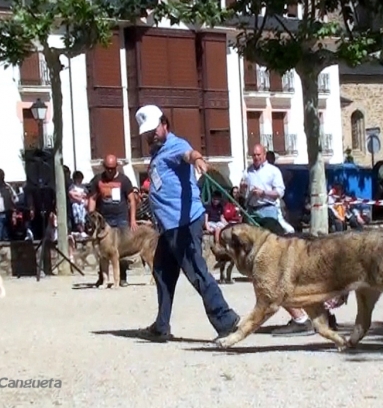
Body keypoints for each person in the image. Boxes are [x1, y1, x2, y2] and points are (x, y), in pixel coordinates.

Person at [135, 104, 240, 341]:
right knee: (162, 272)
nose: (150, 135)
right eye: (146, 133)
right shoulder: (157, 152)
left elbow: (189, 154)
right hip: (169, 227)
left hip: (183, 225)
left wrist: (198, 160)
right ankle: (161, 326)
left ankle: (226, 319)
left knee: (197, 273)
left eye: (153, 130)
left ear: (165, 124)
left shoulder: (174, 145)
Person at [241, 144, 314, 337]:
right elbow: (241, 194)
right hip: (252, 213)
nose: (255, 158)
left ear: (264, 155)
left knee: (271, 266)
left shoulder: (273, 172)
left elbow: (279, 192)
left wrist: (263, 193)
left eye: (258, 155)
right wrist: (241, 191)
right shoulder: (247, 172)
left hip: (269, 213)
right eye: (253, 155)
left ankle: (302, 317)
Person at [88, 155, 137, 287]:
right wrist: (90, 215)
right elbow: (92, 198)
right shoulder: (98, 180)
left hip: (121, 218)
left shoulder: (124, 180)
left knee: (122, 249)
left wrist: (132, 219)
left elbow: (132, 200)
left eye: (112, 168)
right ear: (104, 167)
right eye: (108, 168)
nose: (110, 171)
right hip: (105, 219)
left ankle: (122, 278)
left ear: (116, 167)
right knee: (102, 250)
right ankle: (102, 278)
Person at [265, 150, 295, 234]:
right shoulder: (263, 170)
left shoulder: (277, 170)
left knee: (283, 211)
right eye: (269, 158)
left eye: (272, 158)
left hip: (277, 197)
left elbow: (289, 175)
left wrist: (284, 183)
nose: (271, 160)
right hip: (267, 198)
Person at [68, 171, 88, 237]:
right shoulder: (72, 186)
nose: (80, 180)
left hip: (82, 204)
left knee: (83, 214)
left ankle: (83, 229)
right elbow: (71, 194)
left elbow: (85, 194)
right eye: (78, 178)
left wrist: (78, 195)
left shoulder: (83, 187)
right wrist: (79, 197)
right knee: (77, 213)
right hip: (75, 204)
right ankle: (79, 229)